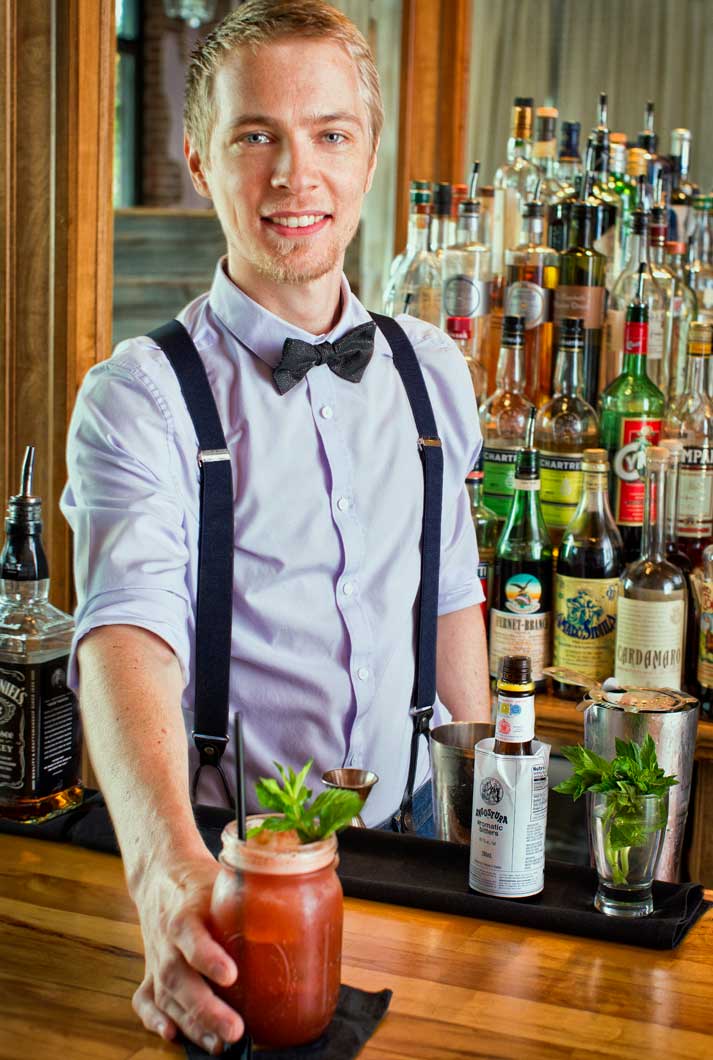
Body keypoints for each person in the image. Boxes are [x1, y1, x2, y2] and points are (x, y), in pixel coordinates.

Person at [61, 0, 489, 1052]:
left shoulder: (431, 369)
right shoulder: (137, 397)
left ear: (370, 152)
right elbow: (126, 632)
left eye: (329, 134)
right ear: (202, 163)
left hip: (415, 835)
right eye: (256, 136)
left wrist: (484, 821)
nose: (296, 176)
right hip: (233, 865)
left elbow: (447, 597)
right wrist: (167, 876)